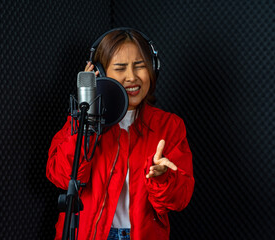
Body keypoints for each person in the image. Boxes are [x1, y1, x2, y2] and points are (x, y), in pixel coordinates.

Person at [46, 28, 194, 240]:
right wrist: (87, 121)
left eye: (140, 66)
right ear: (100, 73)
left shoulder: (169, 126)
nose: (132, 77)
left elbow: (179, 199)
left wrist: (163, 178)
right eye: (120, 68)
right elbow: (62, 177)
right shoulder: (82, 120)